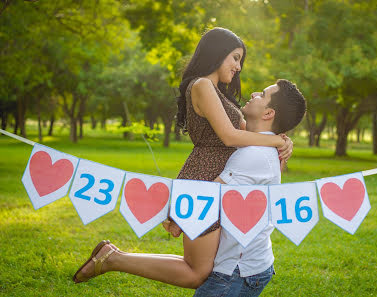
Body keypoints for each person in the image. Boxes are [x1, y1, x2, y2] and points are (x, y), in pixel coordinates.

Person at [72, 27, 293, 288]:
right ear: (217, 53)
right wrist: (275, 140)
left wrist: (283, 140)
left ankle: (114, 257)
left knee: (199, 267)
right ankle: (113, 260)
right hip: (205, 179)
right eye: (235, 57)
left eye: (240, 60)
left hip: (219, 181)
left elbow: (247, 132)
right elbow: (230, 136)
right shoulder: (202, 85)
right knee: (196, 272)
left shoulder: (218, 92)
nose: (238, 67)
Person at [193, 79, 306, 297]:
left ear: (268, 114)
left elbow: (206, 198)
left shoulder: (253, 154)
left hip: (237, 271)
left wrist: (173, 214)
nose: (254, 93)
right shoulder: (259, 146)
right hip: (246, 264)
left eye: (262, 94)